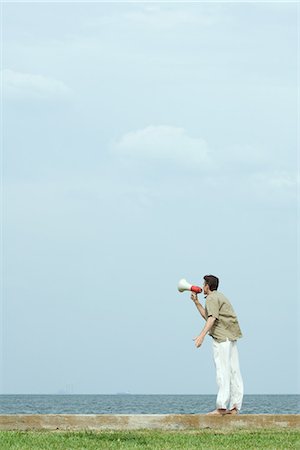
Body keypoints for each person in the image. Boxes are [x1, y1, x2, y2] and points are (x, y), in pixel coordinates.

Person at [191, 274, 244, 415]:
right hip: (230, 337)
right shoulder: (220, 296)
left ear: (207, 286)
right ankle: (234, 407)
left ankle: (221, 407)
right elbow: (209, 316)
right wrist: (196, 303)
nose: (202, 287)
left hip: (221, 339)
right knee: (234, 372)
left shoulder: (211, 298)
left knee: (222, 371)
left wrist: (201, 336)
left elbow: (212, 318)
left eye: (203, 284)